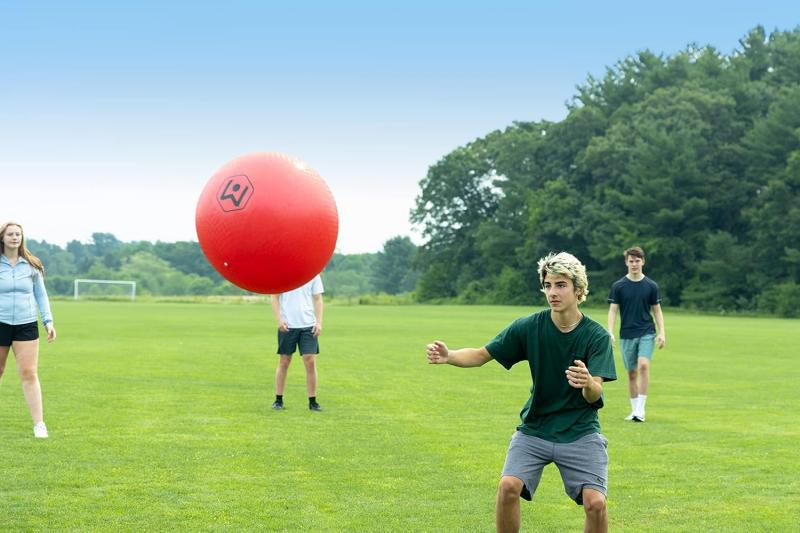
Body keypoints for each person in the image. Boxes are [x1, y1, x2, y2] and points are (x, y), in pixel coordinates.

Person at [427, 252, 616, 533]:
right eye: (548, 285)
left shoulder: (597, 336)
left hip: (580, 430)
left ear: (579, 290)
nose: (552, 292)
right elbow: (481, 355)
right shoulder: (529, 327)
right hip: (535, 428)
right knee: (508, 486)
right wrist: (449, 356)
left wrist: (588, 383)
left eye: (561, 285)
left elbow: (594, 394)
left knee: (596, 503)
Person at [0, 221, 57, 438]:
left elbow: (41, 295)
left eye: (18, 234)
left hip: (26, 324)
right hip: (1, 323)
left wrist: (48, 321)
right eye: (10, 234)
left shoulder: (32, 265)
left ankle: (39, 424)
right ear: (2, 238)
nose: (14, 237)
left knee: (29, 373)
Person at [607, 246, 666, 423]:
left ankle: (641, 410)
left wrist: (662, 332)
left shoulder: (651, 286)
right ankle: (634, 411)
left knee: (643, 366)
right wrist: (610, 331)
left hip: (647, 332)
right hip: (626, 334)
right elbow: (613, 311)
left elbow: (657, 311)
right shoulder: (618, 286)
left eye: (637, 261)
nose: (634, 264)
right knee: (632, 373)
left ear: (643, 262)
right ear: (626, 262)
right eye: (631, 261)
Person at [270, 274, 324, 412]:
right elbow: (274, 297)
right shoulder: (283, 273)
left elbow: (318, 299)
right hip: (287, 324)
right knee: (284, 360)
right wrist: (279, 320)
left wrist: (318, 322)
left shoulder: (313, 273)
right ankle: (278, 400)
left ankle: (313, 401)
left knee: (310, 360)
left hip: (308, 325)